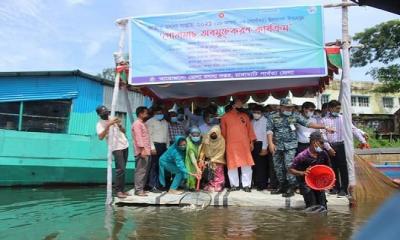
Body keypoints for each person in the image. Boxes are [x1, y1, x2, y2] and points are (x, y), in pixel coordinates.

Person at [267, 98, 334, 197]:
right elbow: (269, 130)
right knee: (278, 167)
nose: (289, 109)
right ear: (281, 107)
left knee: (289, 166)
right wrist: (270, 144)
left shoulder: (295, 116)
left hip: (290, 145)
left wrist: (324, 127)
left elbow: (309, 124)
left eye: (290, 108)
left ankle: (291, 187)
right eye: (287, 107)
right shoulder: (272, 116)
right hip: (277, 145)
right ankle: (282, 186)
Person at [321, 100, 367, 197]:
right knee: (332, 167)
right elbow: (323, 135)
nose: (338, 110)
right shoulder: (323, 120)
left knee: (343, 168)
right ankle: (334, 187)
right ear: (330, 108)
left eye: (339, 108)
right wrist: (328, 148)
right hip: (330, 146)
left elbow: (353, 129)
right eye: (337, 108)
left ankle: (344, 189)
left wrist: (362, 140)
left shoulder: (343, 118)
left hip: (342, 145)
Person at [221, 98, 257, 192]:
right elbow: (223, 133)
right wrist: (224, 145)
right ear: (233, 105)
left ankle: (246, 185)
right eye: (239, 103)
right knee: (232, 165)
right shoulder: (225, 117)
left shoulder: (245, 116)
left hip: (245, 144)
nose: (241, 105)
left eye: (241, 103)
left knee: (247, 165)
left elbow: (250, 130)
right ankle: (234, 185)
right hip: (231, 145)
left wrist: (251, 142)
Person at [289, 132, 331, 210]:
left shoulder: (323, 154)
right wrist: (302, 173)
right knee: (312, 206)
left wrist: (329, 182)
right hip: (306, 183)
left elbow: (329, 169)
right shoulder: (302, 156)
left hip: (319, 183)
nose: (323, 146)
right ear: (313, 142)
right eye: (321, 143)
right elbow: (291, 169)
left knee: (323, 206)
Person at [96, 105, 129, 199]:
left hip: (124, 145)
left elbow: (124, 131)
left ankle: (122, 190)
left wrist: (120, 125)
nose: (106, 113)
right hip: (115, 147)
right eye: (103, 113)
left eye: (106, 111)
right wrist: (108, 125)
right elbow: (100, 137)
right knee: (120, 169)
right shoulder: (100, 124)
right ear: (99, 114)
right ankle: (118, 191)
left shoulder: (113, 118)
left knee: (123, 169)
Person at [146, 106, 169, 193]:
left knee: (161, 166)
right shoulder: (150, 122)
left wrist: (167, 146)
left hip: (163, 146)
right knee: (154, 166)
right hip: (155, 145)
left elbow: (167, 136)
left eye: (161, 113)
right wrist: (152, 147)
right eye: (158, 113)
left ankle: (160, 185)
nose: (160, 114)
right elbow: (149, 136)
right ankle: (152, 186)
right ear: (154, 113)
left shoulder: (165, 122)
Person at [131, 106, 152, 197]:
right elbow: (138, 137)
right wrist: (142, 149)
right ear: (140, 114)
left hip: (147, 150)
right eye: (145, 113)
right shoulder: (137, 124)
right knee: (140, 171)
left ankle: (141, 189)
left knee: (145, 170)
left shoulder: (143, 123)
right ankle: (138, 190)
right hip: (141, 151)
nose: (147, 114)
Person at [202, 126, 226, 192]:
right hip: (209, 159)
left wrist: (213, 159)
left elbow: (221, 152)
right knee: (210, 173)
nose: (213, 135)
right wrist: (208, 159)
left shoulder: (222, 140)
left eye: (215, 134)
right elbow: (204, 149)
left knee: (218, 173)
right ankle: (211, 185)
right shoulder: (207, 138)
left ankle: (218, 185)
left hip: (218, 159)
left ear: (218, 133)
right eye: (212, 134)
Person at [251, 104, 269, 191]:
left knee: (261, 166)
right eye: (254, 112)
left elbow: (266, 135)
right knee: (254, 165)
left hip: (262, 144)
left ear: (262, 113)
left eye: (258, 112)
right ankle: (256, 182)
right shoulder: (252, 121)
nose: (256, 114)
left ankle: (262, 184)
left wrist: (264, 148)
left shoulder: (266, 121)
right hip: (253, 144)